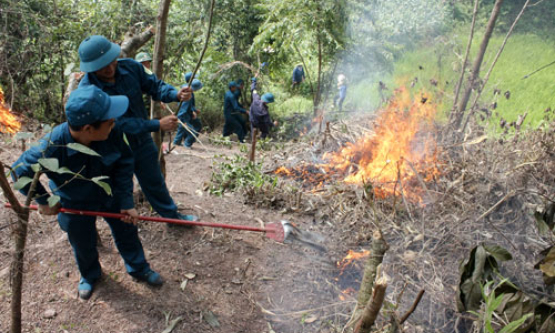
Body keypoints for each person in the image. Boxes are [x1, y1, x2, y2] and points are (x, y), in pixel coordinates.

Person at [12, 86, 163, 300]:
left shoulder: (112, 129)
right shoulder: (53, 145)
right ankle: (90, 275)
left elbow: (125, 163)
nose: (114, 122)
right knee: (81, 241)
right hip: (75, 202)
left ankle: (138, 267)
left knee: (127, 231)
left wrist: (126, 200)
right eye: (108, 121)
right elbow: (19, 170)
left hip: (110, 195)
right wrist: (43, 199)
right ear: (88, 129)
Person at [77, 35, 197, 222]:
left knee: (154, 181)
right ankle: (122, 225)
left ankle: (172, 218)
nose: (109, 69)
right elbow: (116, 124)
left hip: (141, 141)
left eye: (111, 62)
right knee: (117, 187)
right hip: (111, 147)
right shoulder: (88, 91)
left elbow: (155, 86)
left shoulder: (131, 67)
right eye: (102, 67)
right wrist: (156, 125)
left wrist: (175, 94)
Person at [174, 78, 203, 149]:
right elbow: (183, 108)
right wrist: (181, 120)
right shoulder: (187, 94)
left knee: (182, 129)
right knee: (192, 131)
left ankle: (176, 142)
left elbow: (190, 106)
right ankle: (187, 144)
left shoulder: (189, 92)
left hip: (187, 114)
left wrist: (194, 111)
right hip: (183, 116)